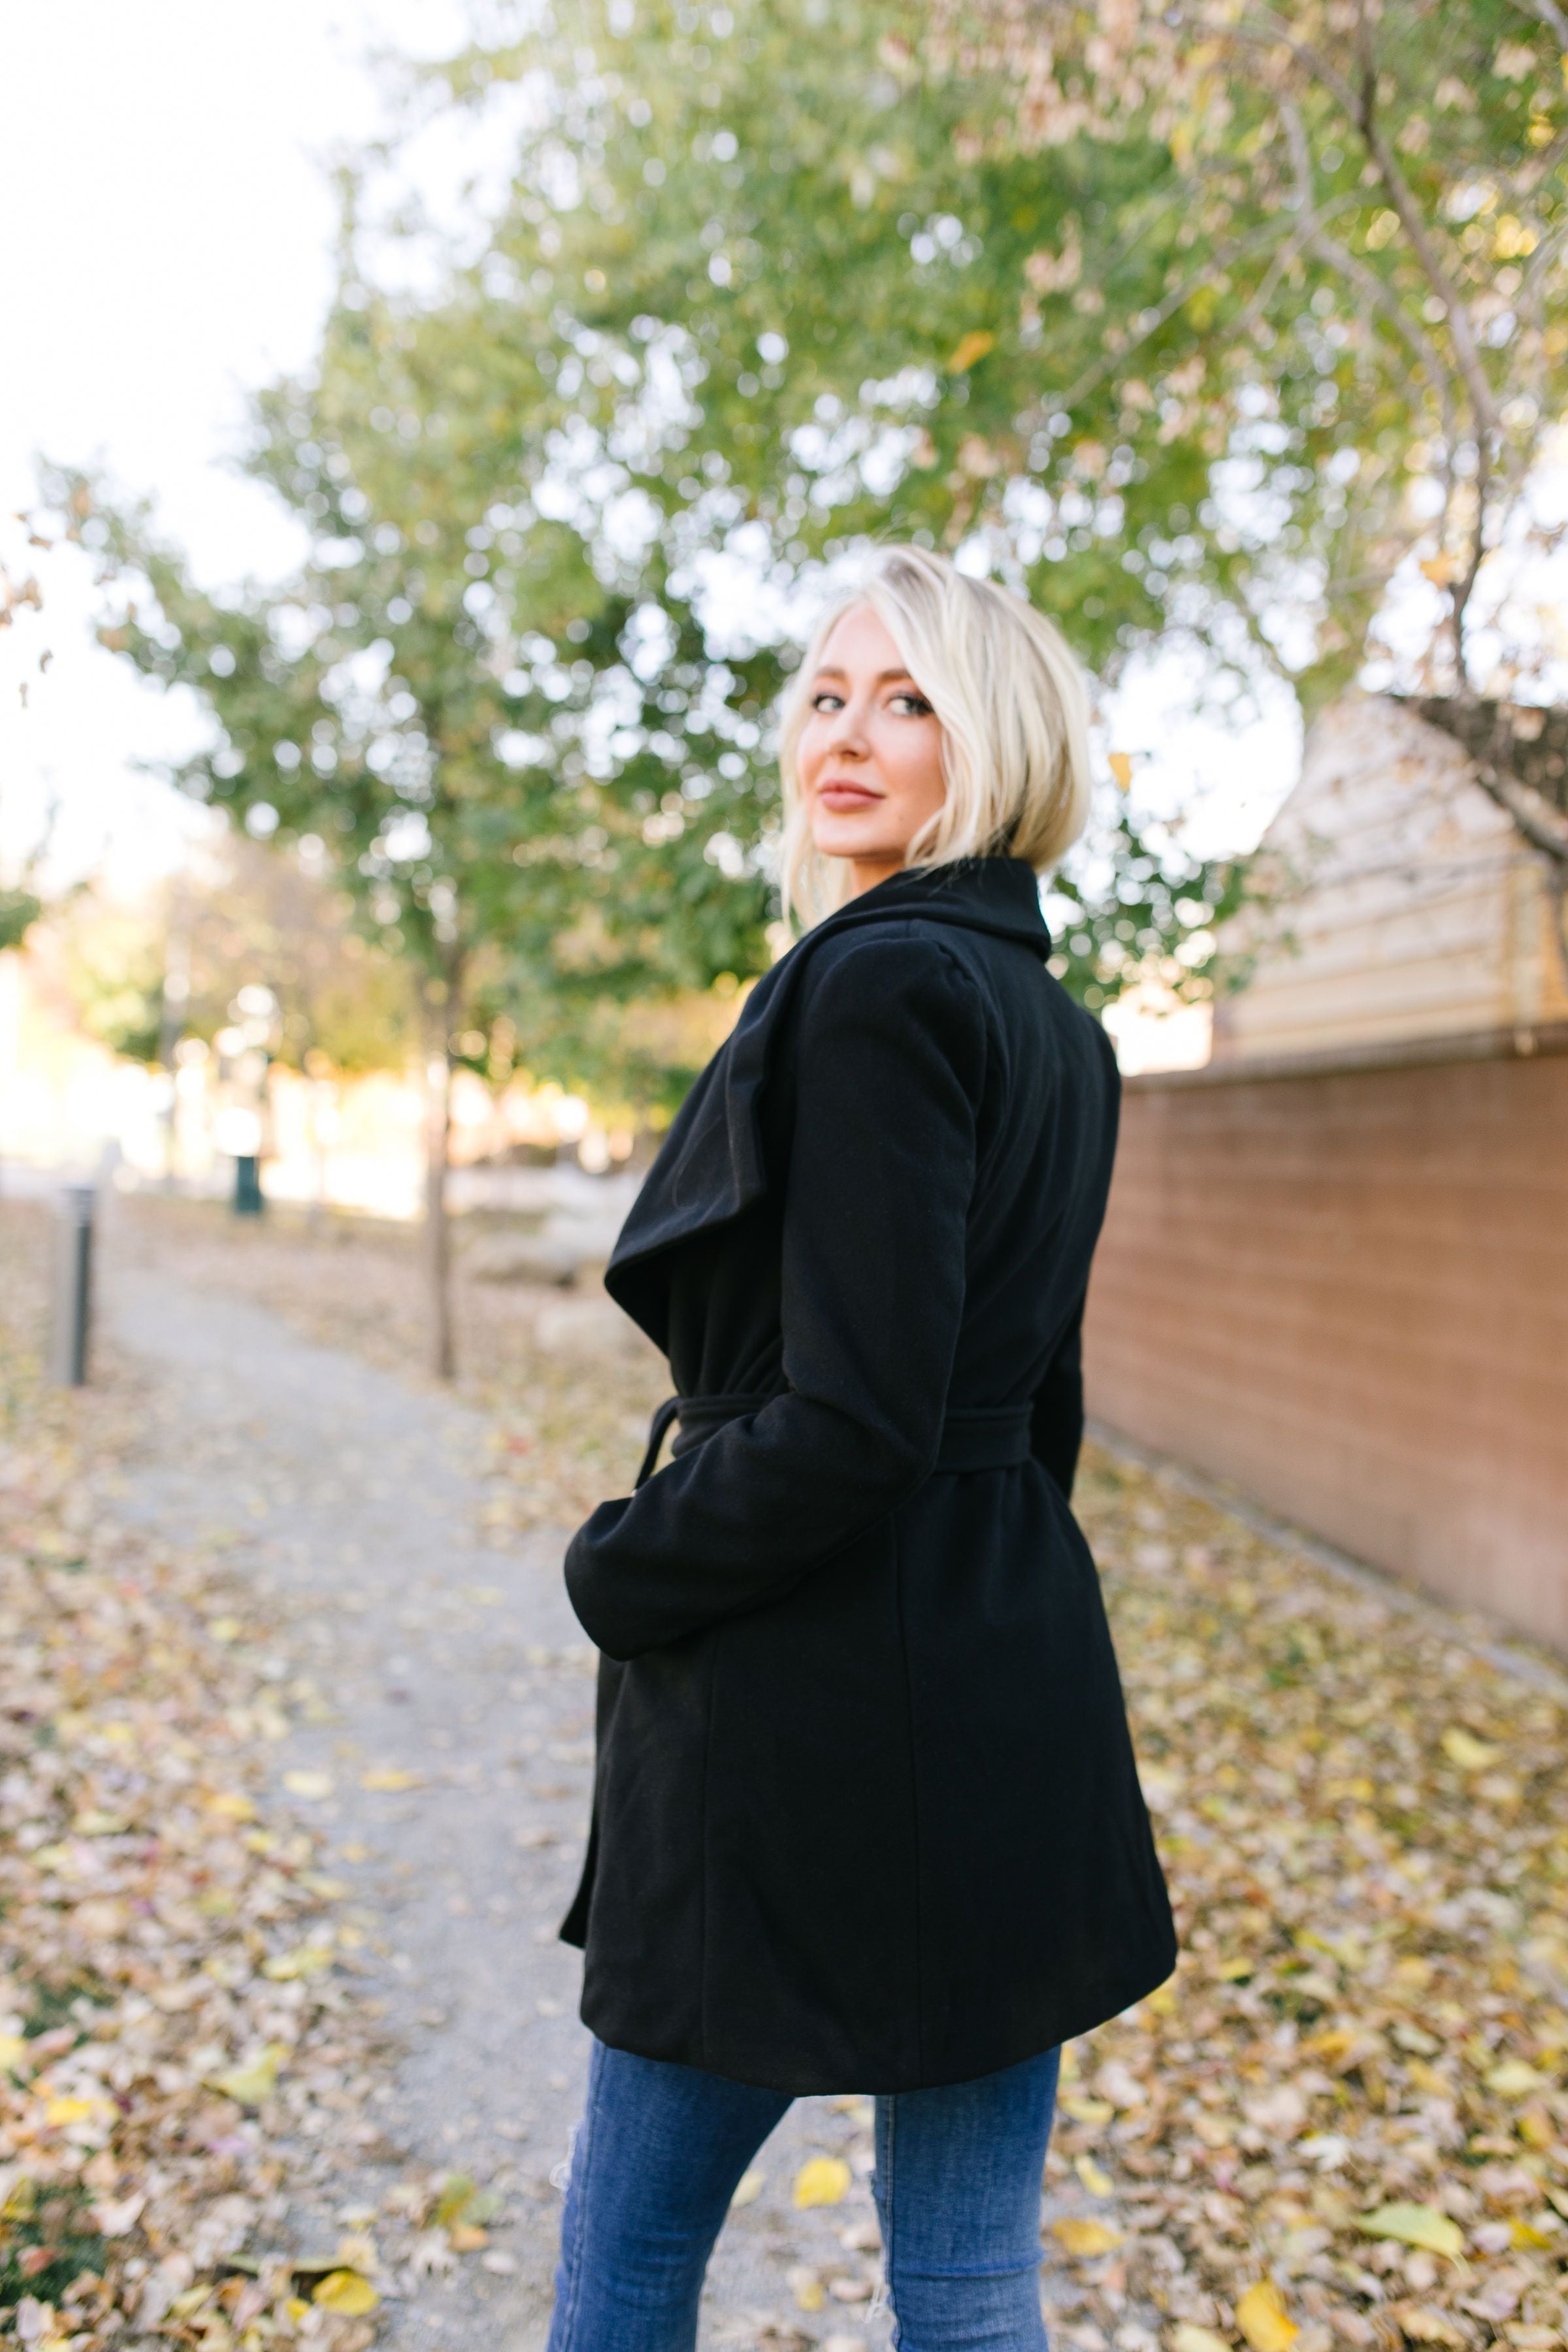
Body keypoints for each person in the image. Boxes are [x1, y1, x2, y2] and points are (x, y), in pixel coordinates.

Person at [548, 546, 1176, 2351]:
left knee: (630, 2254)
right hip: (1002, 1676)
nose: (847, 735)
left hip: (801, 1713)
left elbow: (855, 1419)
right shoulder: (1061, 1028)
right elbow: (1032, 1413)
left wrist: (622, 1567)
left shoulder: (880, 983)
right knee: (969, 2278)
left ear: (995, 739)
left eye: (907, 701)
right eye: (827, 695)